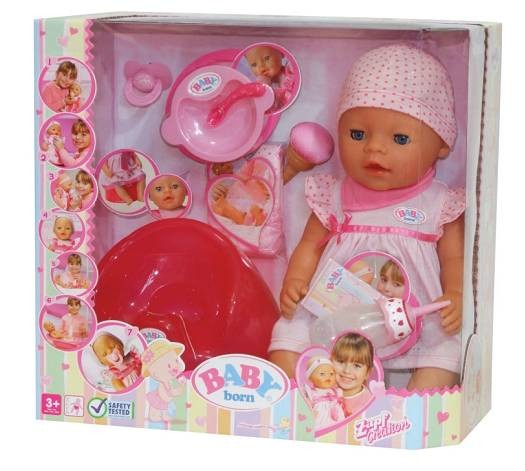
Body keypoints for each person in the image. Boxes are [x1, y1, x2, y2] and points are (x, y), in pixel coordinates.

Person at [270, 44, 465, 390]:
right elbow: (310, 245)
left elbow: (455, 259)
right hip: (334, 311)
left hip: (417, 316)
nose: (374, 148)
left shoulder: (440, 204)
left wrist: (457, 294)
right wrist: (295, 280)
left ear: (442, 145)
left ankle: (415, 406)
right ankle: (298, 398)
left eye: (400, 138)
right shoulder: (332, 195)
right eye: (358, 135)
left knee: (446, 349)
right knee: (291, 331)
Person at [141, 340, 186, 423]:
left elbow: (171, 391)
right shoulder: (163, 383)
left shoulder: (170, 381)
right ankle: (153, 415)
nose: (175, 367)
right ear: (155, 374)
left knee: (164, 407)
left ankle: (164, 415)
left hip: (165, 399)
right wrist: (172, 393)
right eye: (168, 366)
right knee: (155, 408)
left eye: (176, 361)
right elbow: (165, 393)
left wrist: (180, 386)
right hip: (158, 398)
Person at [331, 333, 374, 417]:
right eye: (341, 361)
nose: (347, 370)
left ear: (367, 372)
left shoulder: (369, 405)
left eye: (356, 365)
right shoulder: (324, 391)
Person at [244, 45, 295, 111]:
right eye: (254, 65)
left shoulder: (291, 70)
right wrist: (265, 89)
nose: (261, 67)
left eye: (266, 58)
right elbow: (267, 110)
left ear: (281, 53)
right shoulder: (261, 89)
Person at [303, 356, 344, 430]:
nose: (328, 376)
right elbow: (306, 406)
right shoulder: (311, 393)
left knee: (340, 428)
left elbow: (341, 403)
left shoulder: (336, 391)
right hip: (320, 420)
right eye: (322, 374)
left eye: (331, 373)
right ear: (310, 378)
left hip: (337, 419)